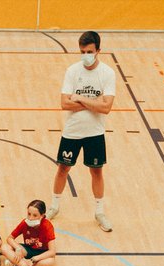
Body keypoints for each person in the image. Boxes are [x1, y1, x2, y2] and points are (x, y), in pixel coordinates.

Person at [48, 31, 116, 232]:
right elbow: (64, 103)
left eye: (89, 51)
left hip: (95, 133)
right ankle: (54, 206)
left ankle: (99, 212)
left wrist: (80, 99)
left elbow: (106, 108)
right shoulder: (72, 71)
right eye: (82, 51)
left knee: (96, 171)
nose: (85, 55)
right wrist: (94, 102)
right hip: (72, 132)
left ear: (98, 51)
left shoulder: (107, 74)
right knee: (63, 168)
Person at [0, 199, 57, 266]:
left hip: (41, 254)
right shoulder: (24, 223)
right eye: (29, 214)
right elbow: (9, 238)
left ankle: (16, 262)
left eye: (35, 215)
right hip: (28, 249)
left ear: (42, 216)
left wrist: (34, 259)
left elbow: (52, 252)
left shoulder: (47, 226)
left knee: (50, 262)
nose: (30, 218)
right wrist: (18, 248)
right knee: (4, 248)